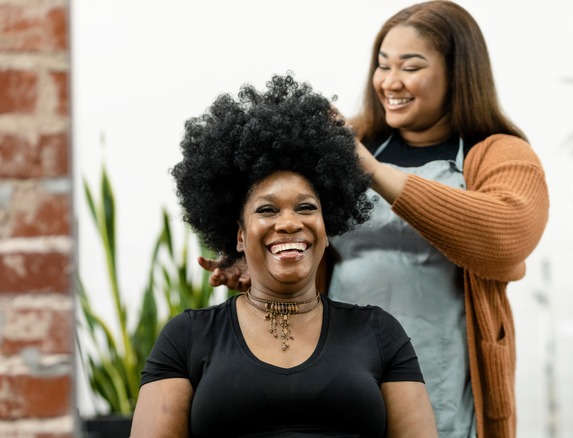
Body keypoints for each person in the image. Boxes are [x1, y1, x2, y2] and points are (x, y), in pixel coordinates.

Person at [201, 2, 549, 436]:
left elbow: (506, 239)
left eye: (411, 66)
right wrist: (254, 262)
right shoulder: (355, 141)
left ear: (458, 72)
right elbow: (292, 223)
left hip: (440, 372)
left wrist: (372, 170)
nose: (390, 82)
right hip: (340, 368)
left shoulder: (498, 154)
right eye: (383, 66)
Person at [130, 74, 438, 438]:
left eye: (306, 207)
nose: (289, 223)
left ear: (327, 229)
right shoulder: (187, 338)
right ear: (240, 236)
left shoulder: (379, 333)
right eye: (267, 210)